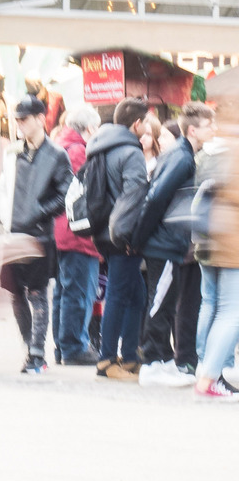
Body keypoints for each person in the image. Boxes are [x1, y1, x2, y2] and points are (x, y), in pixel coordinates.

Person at [132, 103, 213, 387]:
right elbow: (156, 198)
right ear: (193, 130)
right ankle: (153, 364)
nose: (212, 130)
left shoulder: (181, 153)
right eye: (208, 126)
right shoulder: (182, 157)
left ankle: (163, 362)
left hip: (165, 243)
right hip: (163, 244)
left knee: (164, 303)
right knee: (160, 303)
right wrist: (140, 238)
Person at [0, 95, 73, 373]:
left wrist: (38, 211)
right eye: (16, 119)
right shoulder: (14, 152)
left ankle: (37, 354)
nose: (19, 124)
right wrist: (8, 217)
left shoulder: (56, 154)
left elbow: (66, 194)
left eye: (23, 118)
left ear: (40, 119)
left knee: (37, 294)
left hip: (38, 235)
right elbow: (4, 187)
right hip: (13, 232)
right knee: (16, 293)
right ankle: (31, 348)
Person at [90, 97, 152, 382]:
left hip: (102, 230)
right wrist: (127, 236)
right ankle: (105, 361)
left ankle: (129, 355)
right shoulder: (131, 152)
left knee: (136, 293)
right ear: (136, 124)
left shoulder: (100, 145)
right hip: (123, 236)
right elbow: (133, 196)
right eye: (147, 122)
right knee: (117, 294)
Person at [193, 102, 239, 399]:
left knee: (211, 304)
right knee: (231, 312)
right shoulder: (235, 151)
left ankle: (204, 367)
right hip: (231, 240)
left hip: (209, 237)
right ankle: (210, 377)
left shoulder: (208, 152)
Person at [51, 105, 103, 367]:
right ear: (90, 128)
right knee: (79, 292)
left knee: (64, 291)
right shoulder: (80, 151)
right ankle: (74, 347)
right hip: (78, 231)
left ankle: (63, 347)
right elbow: (91, 194)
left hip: (59, 229)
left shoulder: (58, 145)